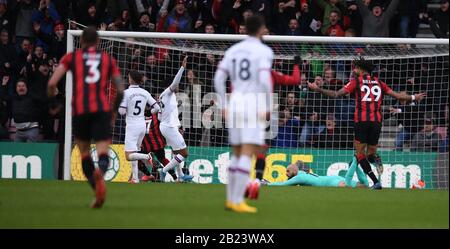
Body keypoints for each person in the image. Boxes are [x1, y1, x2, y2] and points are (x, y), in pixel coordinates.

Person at [308, 56, 426, 189]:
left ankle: (376, 182)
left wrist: (317, 89)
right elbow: (398, 96)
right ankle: (375, 158)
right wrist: (413, 97)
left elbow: (336, 94)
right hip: (376, 122)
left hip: (362, 121)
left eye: (355, 67)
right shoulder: (379, 82)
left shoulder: (356, 82)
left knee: (359, 154)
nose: (353, 70)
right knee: (369, 154)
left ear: (361, 69)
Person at [47, 27, 124, 208]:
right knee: (103, 152)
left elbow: (51, 83)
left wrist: (54, 104)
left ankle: (97, 188)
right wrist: (113, 111)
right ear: (98, 42)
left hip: (80, 110)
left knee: (84, 153)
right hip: (101, 110)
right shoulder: (107, 59)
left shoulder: (71, 57)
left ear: (81, 41)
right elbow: (120, 89)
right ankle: (102, 171)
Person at [214, 15, 273, 213]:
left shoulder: (233, 50)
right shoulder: (264, 51)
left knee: (237, 152)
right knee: (247, 152)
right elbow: (265, 79)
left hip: (235, 102)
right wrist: (267, 103)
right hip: (253, 103)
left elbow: (219, 78)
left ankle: (231, 199)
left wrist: (223, 104)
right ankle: (238, 201)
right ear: (261, 29)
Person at [118, 70, 159, 184]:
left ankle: (147, 156)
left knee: (128, 156)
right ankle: (135, 179)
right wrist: (147, 113)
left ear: (131, 79)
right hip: (142, 125)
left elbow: (121, 111)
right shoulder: (145, 92)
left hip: (132, 126)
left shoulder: (126, 93)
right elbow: (157, 108)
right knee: (135, 152)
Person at [158, 55, 194, 183]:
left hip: (167, 126)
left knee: (176, 152)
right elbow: (174, 83)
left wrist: (177, 126)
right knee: (184, 154)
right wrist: (182, 68)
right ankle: (163, 170)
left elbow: (160, 115)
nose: (177, 86)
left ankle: (180, 175)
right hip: (168, 127)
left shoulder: (165, 97)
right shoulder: (168, 92)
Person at [264, 161, 367, 188]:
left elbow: (283, 185)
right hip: (332, 178)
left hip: (331, 182)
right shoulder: (302, 173)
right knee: (363, 185)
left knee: (348, 186)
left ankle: (355, 162)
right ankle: (355, 165)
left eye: (288, 171)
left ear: (294, 171)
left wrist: (267, 184)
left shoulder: (299, 177)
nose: (286, 173)